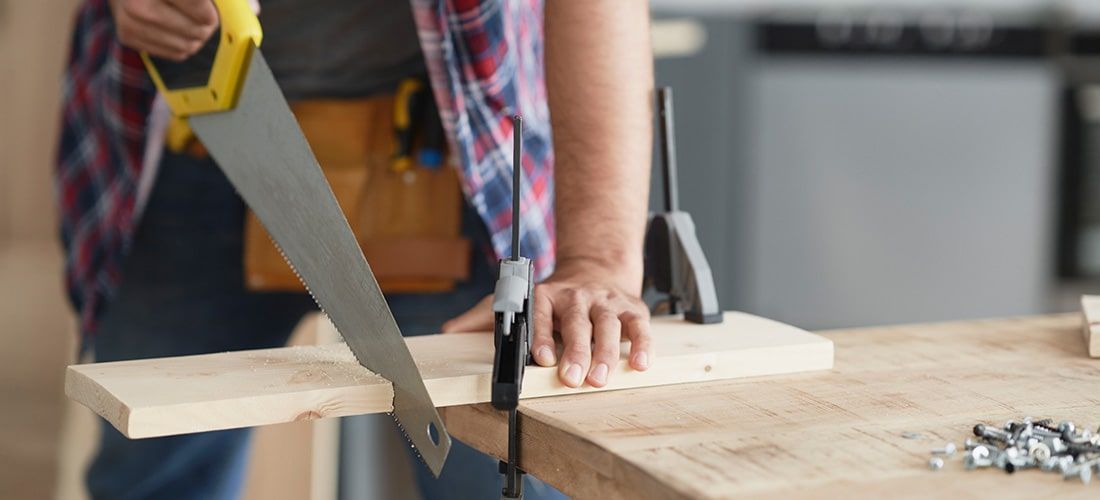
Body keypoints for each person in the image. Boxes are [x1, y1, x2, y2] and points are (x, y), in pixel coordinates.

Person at [57, 0, 655, 498]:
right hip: (189, 132)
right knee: (152, 475)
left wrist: (596, 257)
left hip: (449, 155)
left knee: (500, 476)